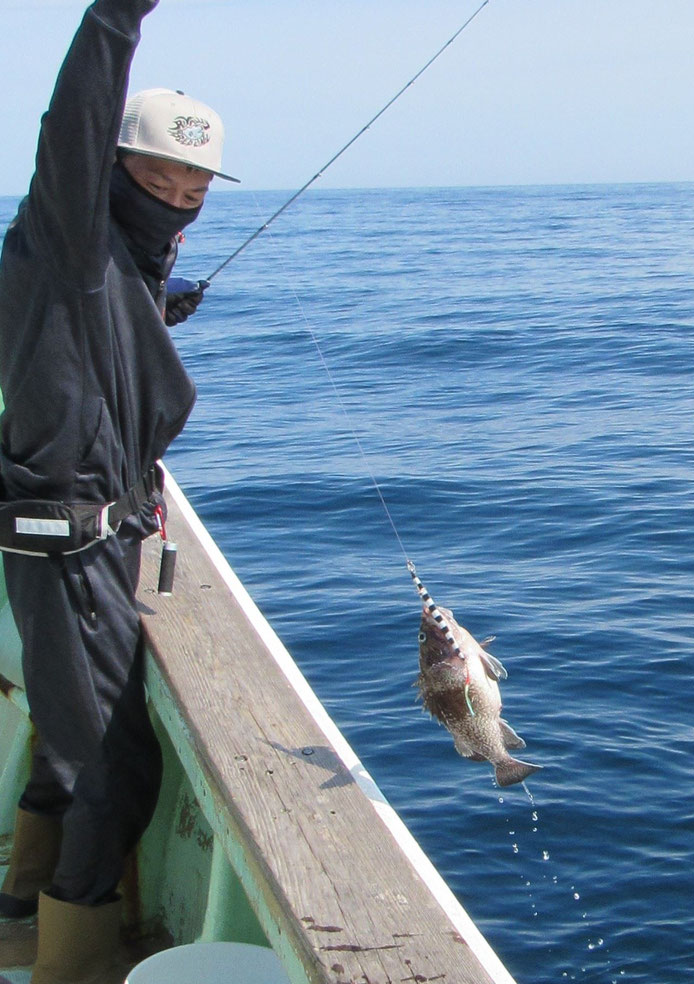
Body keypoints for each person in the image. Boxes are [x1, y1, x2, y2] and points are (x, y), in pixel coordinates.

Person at [0, 1, 238, 980]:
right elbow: (73, 121)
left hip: (93, 540)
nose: (179, 190)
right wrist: (116, 12)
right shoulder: (63, 226)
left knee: (65, 750)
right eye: (155, 170)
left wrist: (156, 312)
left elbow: (93, 350)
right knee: (114, 766)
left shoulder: (125, 263)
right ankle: (69, 957)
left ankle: (20, 904)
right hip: (65, 548)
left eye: (195, 178)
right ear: (107, 165)